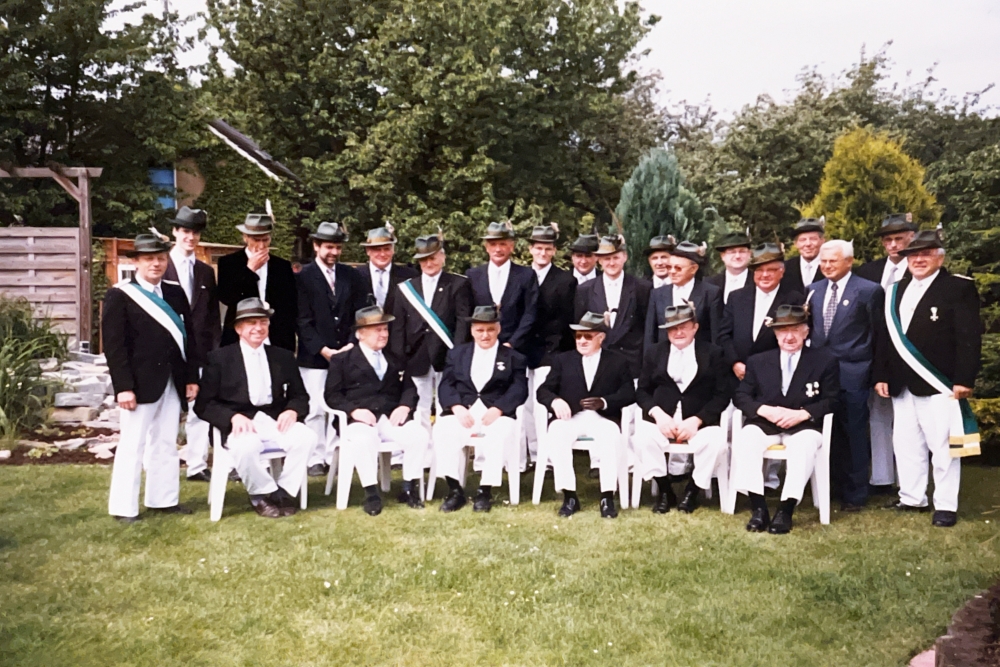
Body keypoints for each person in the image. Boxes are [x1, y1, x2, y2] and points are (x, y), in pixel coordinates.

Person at [875, 230, 983, 528]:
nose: (919, 259)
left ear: (940, 257)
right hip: (901, 382)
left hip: (939, 381)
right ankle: (912, 498)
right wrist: (881, 373)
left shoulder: (957, 288)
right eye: (913, 254)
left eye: (926, 254)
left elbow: (969, 337)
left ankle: (945, 505)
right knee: (906, 444)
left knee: (943, 447)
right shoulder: (895, 289)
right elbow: (886, 338)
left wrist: (964, 378)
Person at [102, 234, 199, 523]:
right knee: (132, 445)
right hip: (138, 384)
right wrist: (124, 387)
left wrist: (190, 377)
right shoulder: (120, 295)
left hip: (172, 380)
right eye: (149, 259)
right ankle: (124, 507)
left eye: (160, 258)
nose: (155, 264)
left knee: (166, 442)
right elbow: (115, 347)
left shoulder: (174, 292)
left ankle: (163, 500)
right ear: (136, 262)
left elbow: (189, 338)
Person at [194, 298, 315, 518]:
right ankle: (261, 494)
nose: (258, 328)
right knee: (246, 447)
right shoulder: (220, 358)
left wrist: (292, 411)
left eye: (263, 322)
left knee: (306, 437)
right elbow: (203, 404)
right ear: (238, 328)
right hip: (240, 423)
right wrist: (232, 417)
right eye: (251, 323)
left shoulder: (283, 356)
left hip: (274, 420)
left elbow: (300, 396)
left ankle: (284, 491)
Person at [733, 305, 840, 534]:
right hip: (765, 423)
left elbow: (833, 399)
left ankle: (786, 509)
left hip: (803, 425)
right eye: (783, 330)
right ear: (775, 333)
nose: (789, 336)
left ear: (806, 331)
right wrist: (764, 410)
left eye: (795, 330)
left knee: (803, 445)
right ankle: (758, 508)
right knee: (746, 439)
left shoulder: (824, 360)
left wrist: (803, 414)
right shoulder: (758, 361)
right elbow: (741, 396)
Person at [324, 305, 429, 516]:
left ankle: (409, 488)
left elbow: (409, 389)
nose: (383, 334)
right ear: (360, 334)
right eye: (377, 330)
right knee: (364, 439)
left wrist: (405, 406)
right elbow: (332, 396)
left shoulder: (395, 357)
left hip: (389, 418)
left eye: (385, 329)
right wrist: (353, 411)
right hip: (359, 420)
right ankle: (371, 493)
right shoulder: (342, 360)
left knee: (419, 434)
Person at [806, 240, 884, 511]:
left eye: (833, 261)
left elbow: (878, 335)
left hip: (854, 372)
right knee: (826, 432)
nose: (826, 266)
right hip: (821, 373)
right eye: (823, 261)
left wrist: (877, 373)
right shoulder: (813, 290)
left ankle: (855, 493)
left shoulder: (869, 290)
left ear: (849, 262)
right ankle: (829, 487)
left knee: (853, 432)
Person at [635, 303, 733, 513]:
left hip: (698, 420)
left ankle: (692, 491)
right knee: (642, 438)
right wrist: (658, 415)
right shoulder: (654, 352)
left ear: (695, 327)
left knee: (716, 442)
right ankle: (665, 490)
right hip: (662, 419)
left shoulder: (713, 353)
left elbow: (722, 394)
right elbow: (642, 391)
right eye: (672, 328)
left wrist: (698, 419)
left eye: (683, 327)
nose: (678, 332)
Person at [536, 312, 635, 518]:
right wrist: (555, 401)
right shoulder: (563, 360)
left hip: (602, 417)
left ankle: (607, 496)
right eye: (578, 336)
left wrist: (604, 401)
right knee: (556, 432)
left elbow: (628, 393)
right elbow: (543, 390)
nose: (581, 341)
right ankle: (569, 496)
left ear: (601, 337)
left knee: (611, 436)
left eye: (588, 336)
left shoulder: (617, 361)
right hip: (570, 417)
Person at [434, 306, 529, 513]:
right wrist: (456, 406)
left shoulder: (514, 357)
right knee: (442, 430)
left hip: (495, 413)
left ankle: (484, 491)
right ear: (472, 331)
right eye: (480, 330)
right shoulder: (457, 354)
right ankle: (454, 490)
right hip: (464, 411)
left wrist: (499, 408)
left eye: (490, 330)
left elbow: (519, 389)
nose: (485, 335)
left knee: (497, 434)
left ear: (498, 329)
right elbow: (446, 385)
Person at [295, 222, 368, 475]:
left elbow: (359, 314)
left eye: (337, 247)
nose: (334, 252)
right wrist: (322, 349)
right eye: (329, 247)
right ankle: (315, 458)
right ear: (316, 246)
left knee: (340, 407)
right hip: (314, 356)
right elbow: (302, 320)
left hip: (346, 353)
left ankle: (336, 455)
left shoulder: (351, 275)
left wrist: (350, 345)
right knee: (315, 408)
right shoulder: (302, 277)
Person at [855, 212, 917, 493]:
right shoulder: (867, 271)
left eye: (899, 239)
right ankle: (881, 478)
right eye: (888, 240)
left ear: (911, 238)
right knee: (878, 417)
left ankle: (909, 481)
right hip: (870, 353)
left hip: (907, 353)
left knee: (908, 421)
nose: (893, 245)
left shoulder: (918, 270)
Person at [391, 232, 473, 434]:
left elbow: (463, 322)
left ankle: (446, 447)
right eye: (424, 259)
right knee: (420, 407)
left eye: (433, 257)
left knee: (450, 405)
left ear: (442, 257)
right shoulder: (405, 288)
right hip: (415, 355)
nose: (429, 263)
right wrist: (399, 357)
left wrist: (458, 354)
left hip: (447, 354)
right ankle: (423, 449)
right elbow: (398, 327)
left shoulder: (458, 284)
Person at [164, 206, 220, 483]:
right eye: (185, 231)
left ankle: (197, 465)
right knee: (166, 411)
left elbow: (212, 317)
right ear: (175, 231)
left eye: (195, 233)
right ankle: (160, 465)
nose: (190, 237)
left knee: (199, 409)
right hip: (167, 351)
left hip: (199, 352)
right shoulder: (160, 266)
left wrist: (214, 354)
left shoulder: (205, 272)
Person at [522, 224, 577, 466]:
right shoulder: (521, 276)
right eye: (538, 248)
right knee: (525, 406)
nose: (542, 253)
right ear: (530, 249)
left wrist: (556, 350)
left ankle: (550, 456)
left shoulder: (566, 280)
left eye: (547, 249)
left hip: (550, 350)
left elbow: (566, 319)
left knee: (542, 404)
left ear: (554, 251)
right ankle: (535, 455)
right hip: (523, 349)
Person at [717, 243, 805, 384]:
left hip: (776, 376)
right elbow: (724, 334)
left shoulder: (794, 299)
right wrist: (735, 362)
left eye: (771, 270)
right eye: (759, 270)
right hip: (738, 376)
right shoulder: (736, 297)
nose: (765, 275)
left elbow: (796, 339)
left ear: (782, 271)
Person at [574, 233, 652, 378]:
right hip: (598, 365)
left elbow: (646, 329)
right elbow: (580, 329)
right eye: (607, 259)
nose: (611, 263)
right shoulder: (585, 290)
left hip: (632, 365)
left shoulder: (642, 288)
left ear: (625, 257)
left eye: (616, 258)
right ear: (599, 260)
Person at [218, 212, 297, 351]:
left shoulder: (282, 266)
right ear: (245, 237)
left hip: (276, 337)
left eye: (265, 240)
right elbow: (227, 297)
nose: (261, 246)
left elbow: (290, 305)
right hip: (240, 335)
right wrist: (250, 270)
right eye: (256, 240)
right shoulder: (229, 263)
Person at [466, 221, 538, 355]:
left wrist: (513, 342)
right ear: (487, 247)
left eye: (502, 244)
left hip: (516, 349)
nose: (498, 249)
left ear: (511, 247)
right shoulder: (473, 275)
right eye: (493, 244)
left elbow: (530, 312)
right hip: (481, 348)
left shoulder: (526, 275)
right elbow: (467, 312)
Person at [645, 241, 722, 346]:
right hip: (665, 354)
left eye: (678, 268)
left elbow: (716, 334)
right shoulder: (657, 294)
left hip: (699, 354)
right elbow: (650, 334)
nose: (672, 271)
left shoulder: (711, 293)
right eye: (669, 267)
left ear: (693, 269)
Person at [355, 224, 418, 341]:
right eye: (377, 250)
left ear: (393, 250)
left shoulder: (409, 276)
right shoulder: (355, 276)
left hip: (399, 342)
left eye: (387, 249)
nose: (382, 254)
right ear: (368, 251)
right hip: (365, 342)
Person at [705, 232, 753, 304]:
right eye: (732, 252)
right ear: (722, 256)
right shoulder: (710, 283)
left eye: (742, 251)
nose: (737, 256)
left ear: (749, 254)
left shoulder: (758, 282)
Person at [781, 218, 825, 292]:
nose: (808, 244)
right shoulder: (784, 268)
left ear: (822, 241)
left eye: (813, 239)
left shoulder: (831, 267)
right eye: (802, 240)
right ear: (795, 244)